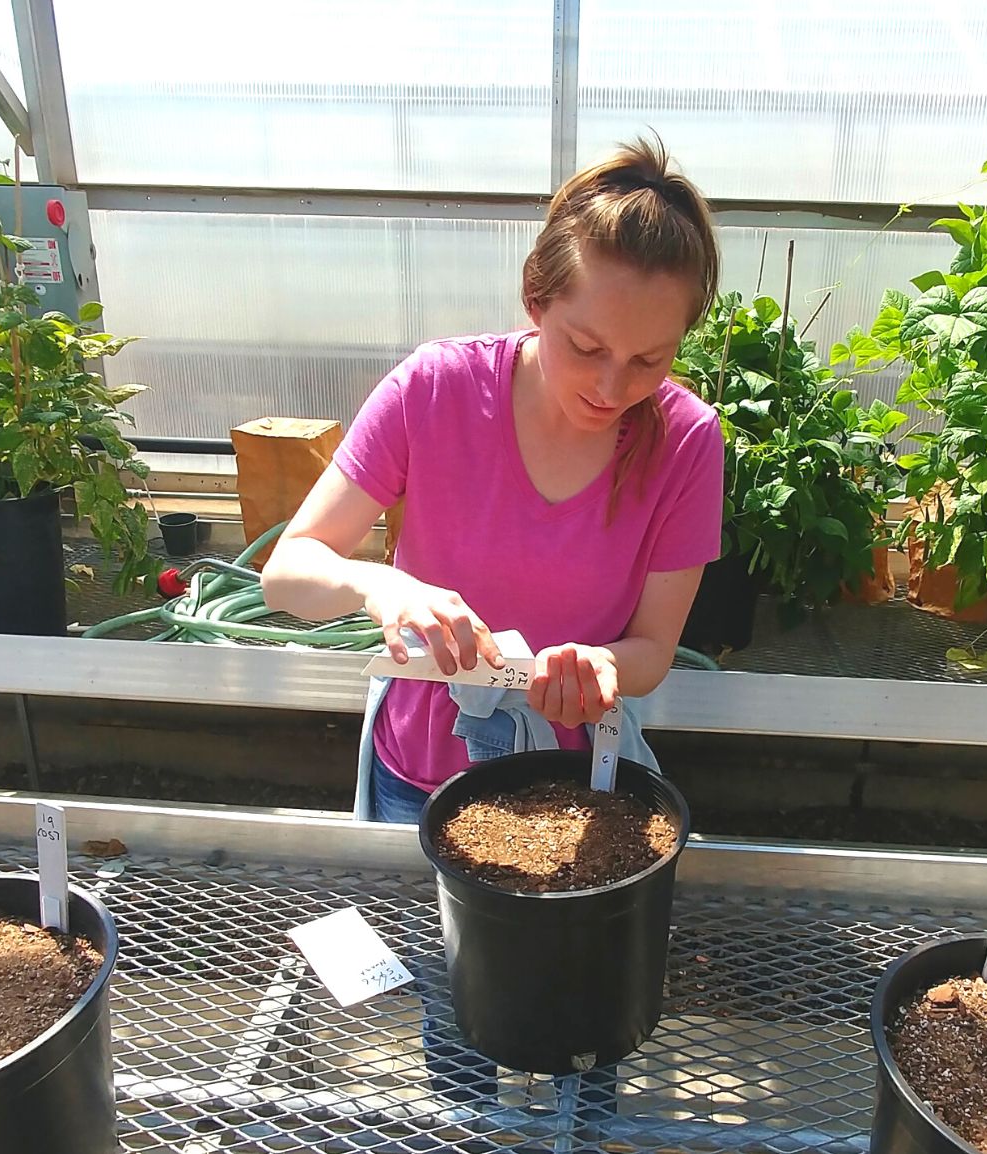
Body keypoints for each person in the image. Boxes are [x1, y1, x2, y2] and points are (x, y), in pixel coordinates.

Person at [262, 136, 724, 1110]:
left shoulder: (684, 439)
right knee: (458, 1006)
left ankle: (579, 1125)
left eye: (651, 358)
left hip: (587, 786)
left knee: (591, 1020)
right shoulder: (435, 390)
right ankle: (465, 1122)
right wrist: (382, 585)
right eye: (584, 346)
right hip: (426, 769)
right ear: (536, 301)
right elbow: (289, 572)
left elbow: (648, 650)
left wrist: (594, 665)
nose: (612, 387)